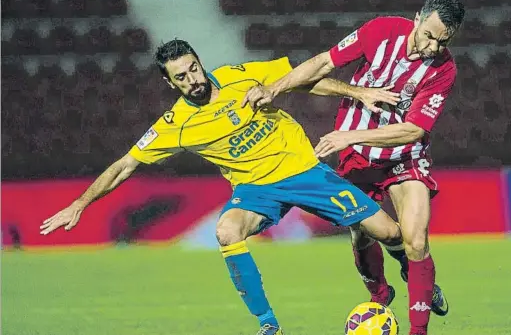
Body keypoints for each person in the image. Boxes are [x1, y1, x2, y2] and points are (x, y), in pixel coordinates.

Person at [40, 39, 404, 335]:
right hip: (256, 190)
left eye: (194, 69)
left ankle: (407, 271)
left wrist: (357, 91)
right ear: (170, 83)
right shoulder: (175, 125)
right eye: (181, 77)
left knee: (390, 233)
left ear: (200, 62)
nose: (193, 80)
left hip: (304, 171)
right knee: (227, 231)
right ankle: (268, 324)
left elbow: (301, 79)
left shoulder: (240, 76)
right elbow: (125, 165)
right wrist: (79, 204)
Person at [242, 0, 465, 335]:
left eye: (443, 41)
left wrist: (350, 136)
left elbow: (413, 130)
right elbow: (323, 63)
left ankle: (418, 327)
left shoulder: (443, 69)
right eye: (429, 35)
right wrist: (274, 88)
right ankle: (382, 292)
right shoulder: (381, 31)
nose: (433, 47)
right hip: (357, 160)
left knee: (416, 241)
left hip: (403, 158)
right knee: (361, 234)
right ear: (418, 17)